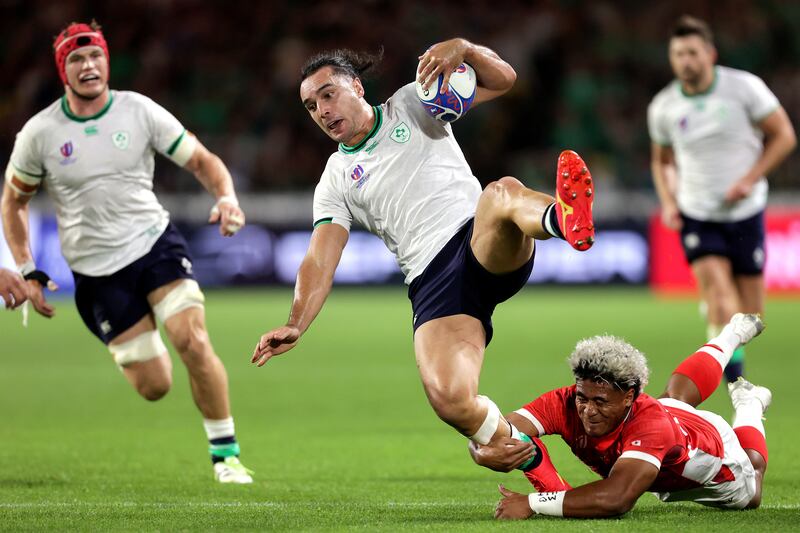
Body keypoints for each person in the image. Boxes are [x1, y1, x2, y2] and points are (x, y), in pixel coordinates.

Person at [251, 39, 595, 453]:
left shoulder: (413, 102)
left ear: (357, 88)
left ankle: (564, 219)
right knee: (450, 400)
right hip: (432, 282)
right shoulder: (335, 179)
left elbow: (504, 80)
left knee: (500, 193)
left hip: (477, 239)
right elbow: (320, 259)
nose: (322, 111)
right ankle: (526, 460)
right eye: (311, 106)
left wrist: (464, 49)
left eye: (328, 94)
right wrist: (295, 322)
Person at [1, 21, 253, 483]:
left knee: (193, 340)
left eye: (94, 55)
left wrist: (226, 196)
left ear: (107, 61)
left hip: (154, 243)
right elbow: (13, 201)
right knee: (155, 386)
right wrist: (27, 267)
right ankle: (137, 344)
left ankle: (227, 457)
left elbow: (202, 160)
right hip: (96, 273)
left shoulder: (138, 111)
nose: (88, 65)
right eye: (75, 59)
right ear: (63, 71)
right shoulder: (40, 133)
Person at [474, 313, 771, 519]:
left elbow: (616, 499)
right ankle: (732, 334)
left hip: (714, 456)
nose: (588, 410)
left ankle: (750, 404)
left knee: (751, 490)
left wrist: (532, 503)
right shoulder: (566, 401)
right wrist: (481, 450)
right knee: (675, 398)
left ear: (630, 397)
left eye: (601, 402)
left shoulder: (650, 424)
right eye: (583, 398)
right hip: (668, 423)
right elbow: (498, 427)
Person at [648, 15, 796, 382]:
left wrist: (750, 178)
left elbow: (784, 136)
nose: (685, 61)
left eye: (692, 52)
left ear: (710, 54)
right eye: (678, 53)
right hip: (697, 211)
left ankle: (717, 320)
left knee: (752, 316)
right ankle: (734, 383)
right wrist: (669, 200)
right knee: (721, 293)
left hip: (745, 210)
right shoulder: (664, 107)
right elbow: (663, 161)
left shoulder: (745, 88)